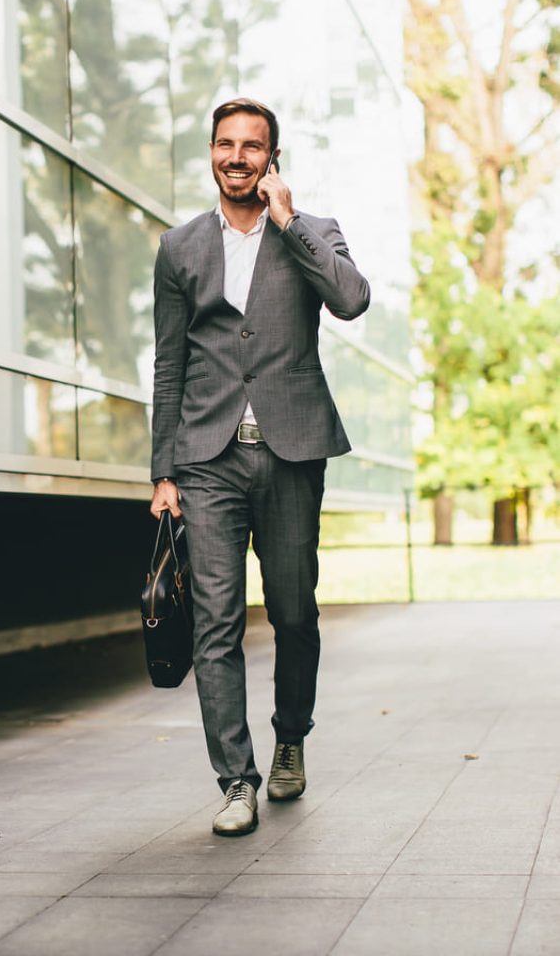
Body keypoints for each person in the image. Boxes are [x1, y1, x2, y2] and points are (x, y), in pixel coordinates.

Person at [149, 97, 370, 836]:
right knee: (216, 622)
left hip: (292, 449)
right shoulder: (179, 248)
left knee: (294, 612)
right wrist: (163, 473)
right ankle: (234, 779)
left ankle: (291, 740)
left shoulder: (309, 232)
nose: (236, 156)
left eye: (252, 146)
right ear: (210, 152)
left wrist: (289, 219)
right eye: (225, 144)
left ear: (272, 157)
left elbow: (352, 299)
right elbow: (170, 366)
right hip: (206, 460)